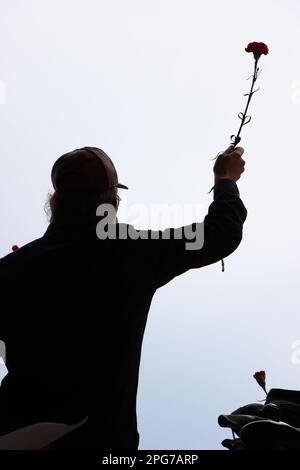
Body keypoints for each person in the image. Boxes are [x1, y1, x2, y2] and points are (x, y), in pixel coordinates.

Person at [0, 145, 247, 449]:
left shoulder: (11, 269)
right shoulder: (126, 253)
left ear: (54, 201)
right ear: (111, 205)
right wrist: (225, 179)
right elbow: (221, 232)